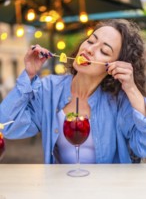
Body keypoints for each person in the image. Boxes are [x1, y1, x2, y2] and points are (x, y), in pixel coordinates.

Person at [0, 19, 146, 164]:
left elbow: (143, 148)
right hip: (62, 185)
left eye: (104, 51)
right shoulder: (49, 89)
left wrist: (132, 89)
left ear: (114, 67)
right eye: (90, 41)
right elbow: (7, 126)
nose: (89, 49)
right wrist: (29, 74)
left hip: (109, 186)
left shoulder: (120, 101)